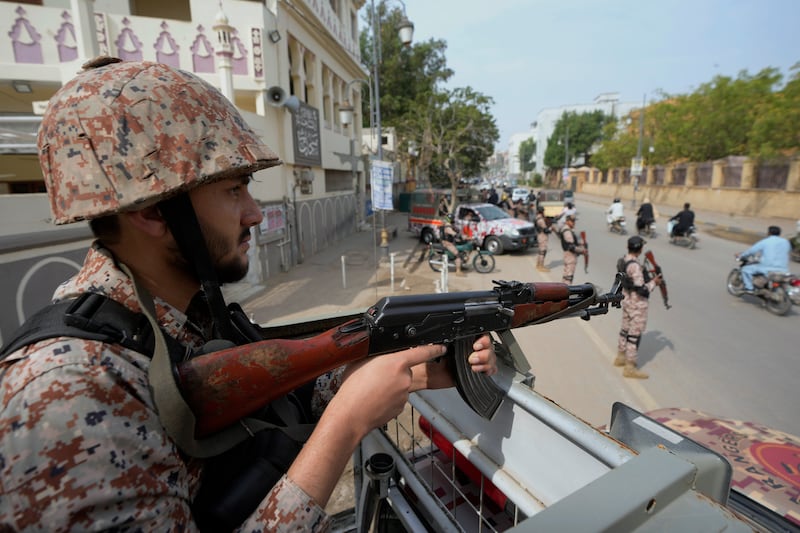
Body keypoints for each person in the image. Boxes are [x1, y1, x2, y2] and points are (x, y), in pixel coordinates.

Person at [0, 58, 497, 530]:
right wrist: (346, 422)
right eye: (233, 189)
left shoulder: (181, 319)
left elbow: (264, 408)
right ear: (152, 212)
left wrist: (382, 374)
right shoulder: (65, 395)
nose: (256, 213)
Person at [615, 236, 662, 379]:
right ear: (639, 249)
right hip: (637, 304)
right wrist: (654, 282)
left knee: (624, 330)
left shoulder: (624, 260)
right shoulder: (634, 266)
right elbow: (641, 289)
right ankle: (630, 367)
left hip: (627, 301)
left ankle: (620, 357)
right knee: (634, 336)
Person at [735, 225, 791, 292]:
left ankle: (749, 288)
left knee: (745, 270)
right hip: (783, 269)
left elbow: (751, 251)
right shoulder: (786, 242)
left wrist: (741, 255)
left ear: (769, 233)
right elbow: (788, 251)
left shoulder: (765, 241)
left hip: (767, 268)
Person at [559, 215, 586, 283]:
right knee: (569, 277)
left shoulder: (567, 229)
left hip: (568, 255)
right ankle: (566, 292)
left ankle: (562, 291)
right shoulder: (567, 231)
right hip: (570, 255)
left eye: (574, 221)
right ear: (567, 221)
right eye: (572, 221)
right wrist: (582, 251)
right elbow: (571, 247)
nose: (574, 223)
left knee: (566, 275)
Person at [534, 205, 551, 272]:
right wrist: (550, 229)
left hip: (540, 235)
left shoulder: (537, 217)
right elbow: (545, 229)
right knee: (542, 251)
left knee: (540, 251)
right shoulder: (540, 219)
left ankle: (538, 264)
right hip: (542, 236)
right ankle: (541, 266)